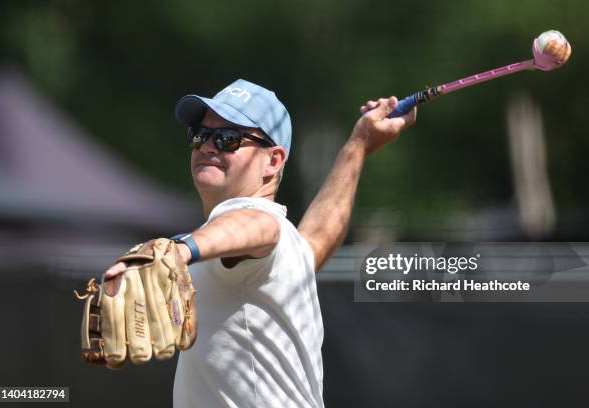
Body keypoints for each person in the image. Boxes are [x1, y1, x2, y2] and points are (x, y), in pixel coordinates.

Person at [104, 79, 416, 408]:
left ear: (273, 161)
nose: (208, 146)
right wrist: (358, 144)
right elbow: (318, 238)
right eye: (201, 134)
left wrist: (180, 250)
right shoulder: (288, 247)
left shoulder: (254, 220)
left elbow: (254, 225)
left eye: (228, 138)